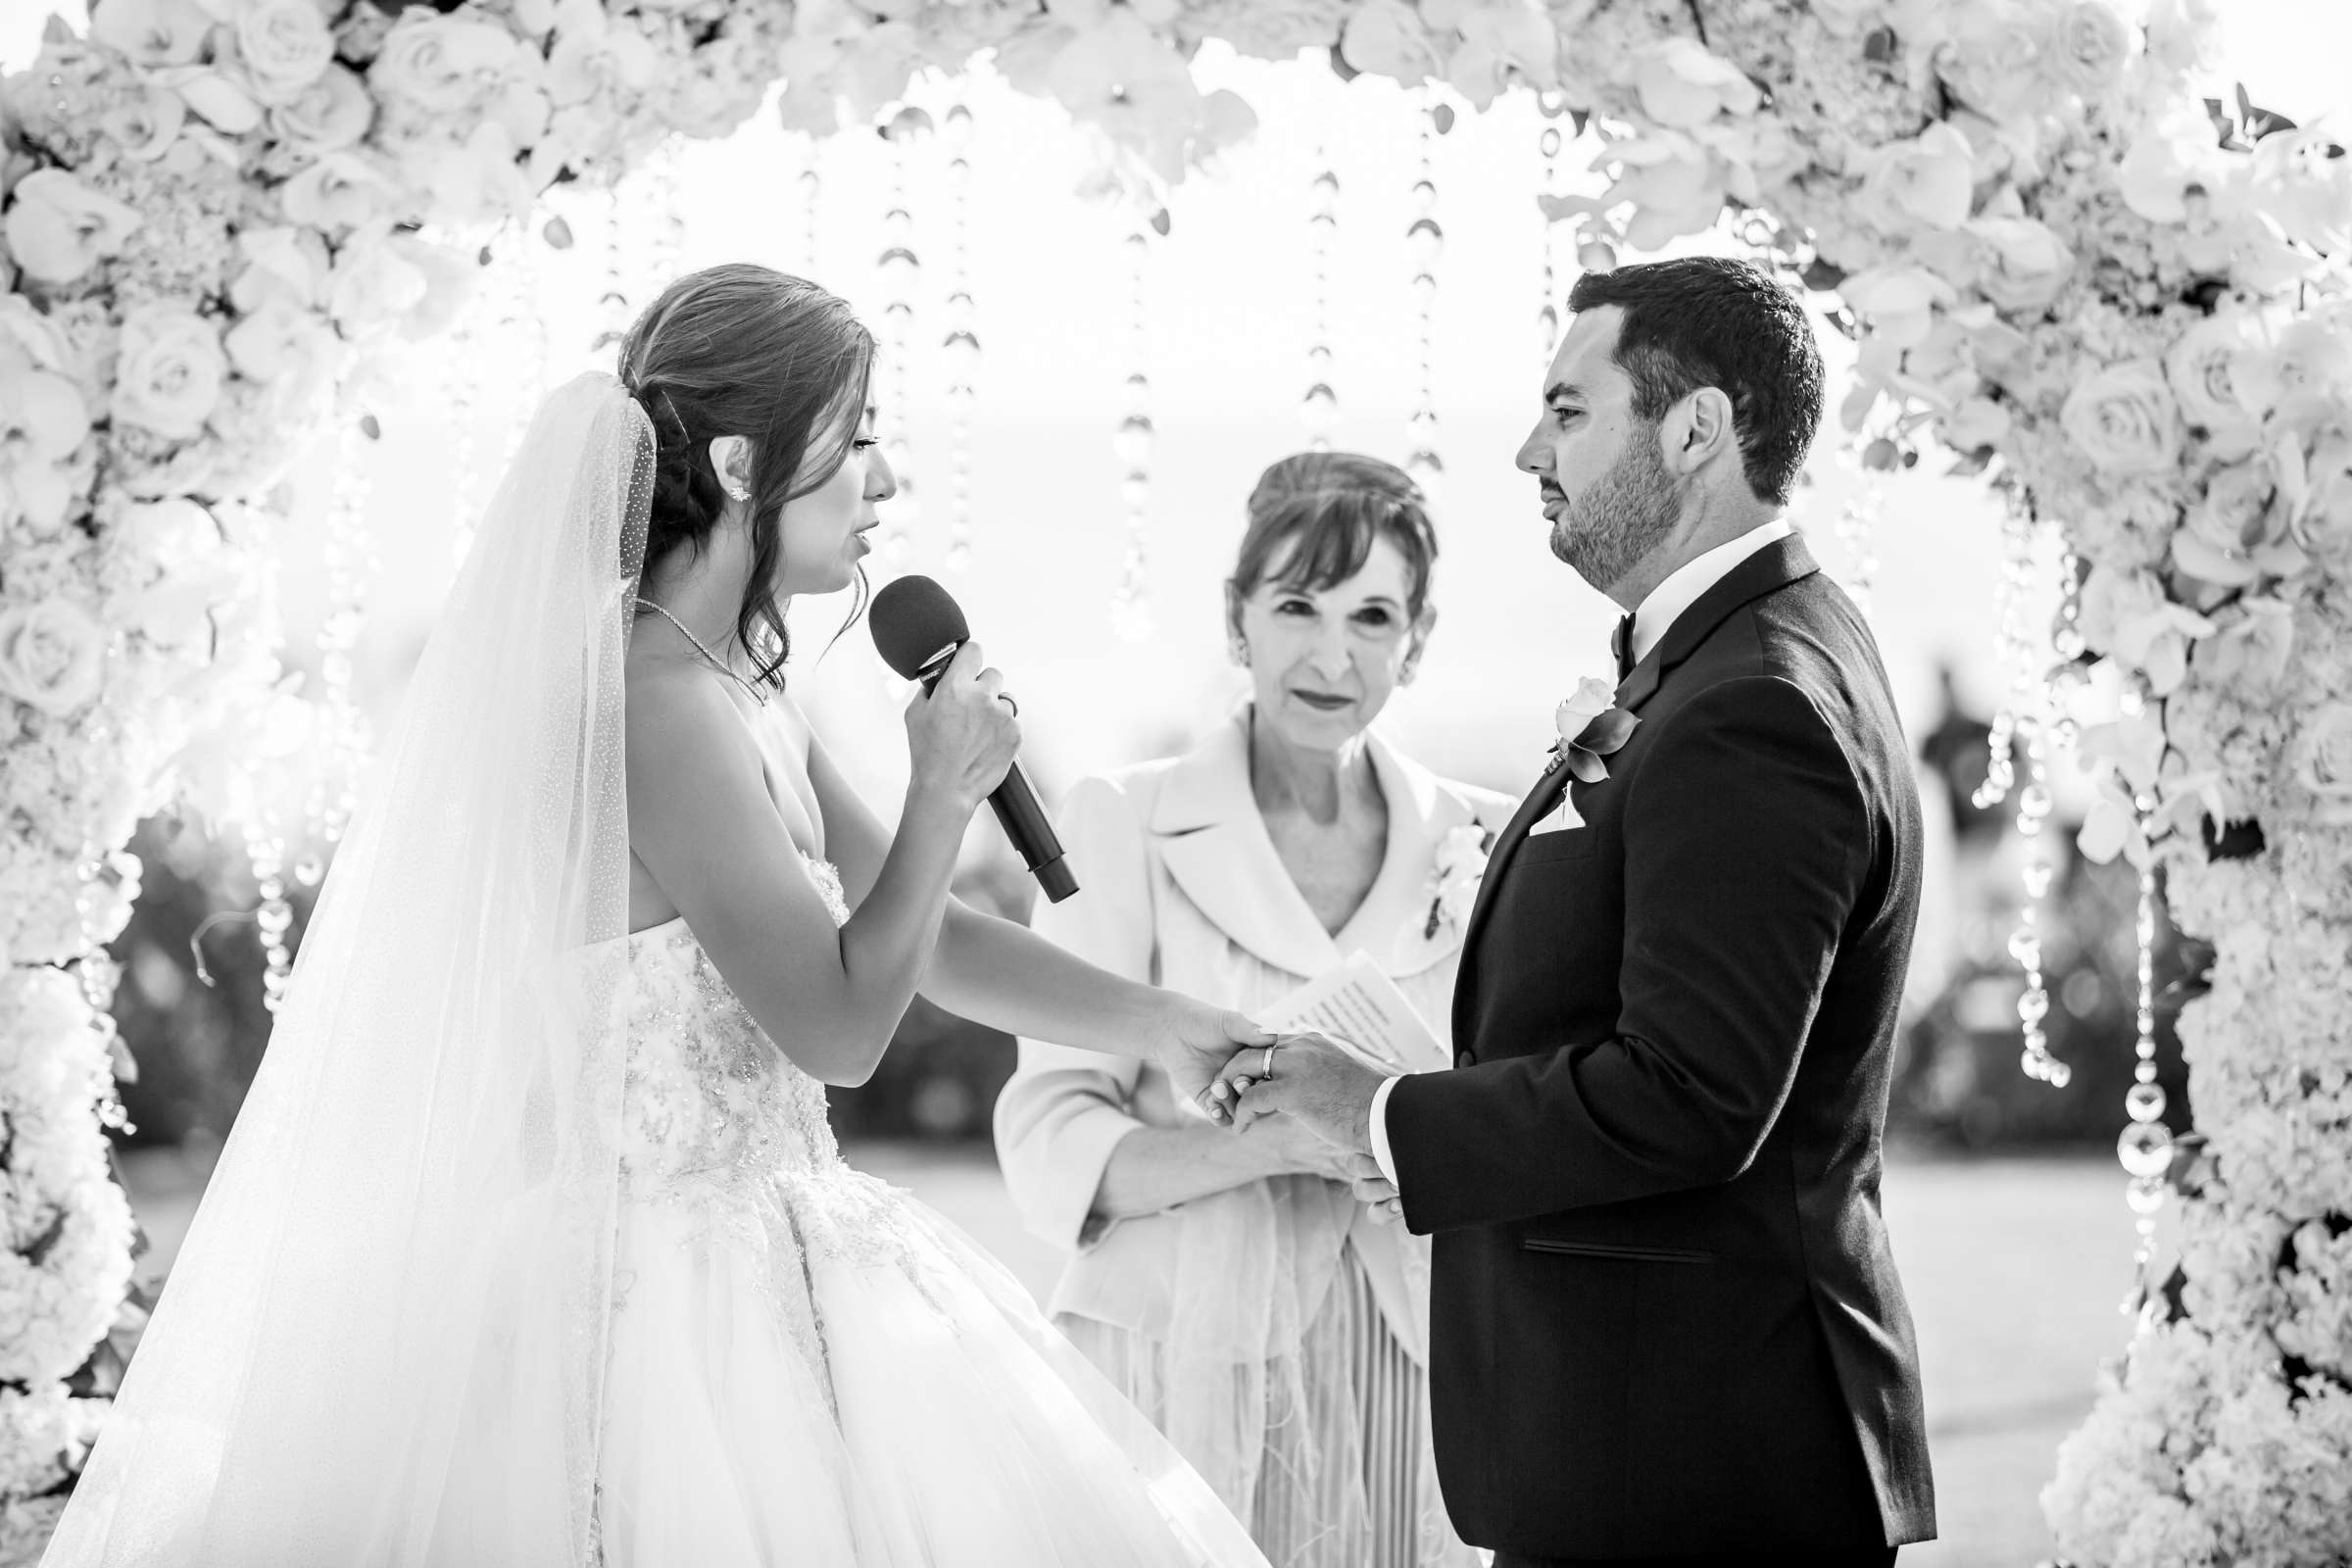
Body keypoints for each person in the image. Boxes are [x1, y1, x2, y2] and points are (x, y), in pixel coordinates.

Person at [44, 265, 1279, 1566]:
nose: (885, 479)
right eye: (857, 440)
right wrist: (938, 796)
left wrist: (1166, 1024)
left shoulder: (734, 678)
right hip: (655, 1315)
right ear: (745, 466)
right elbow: (841, 1029)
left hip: (788, 1249)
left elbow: (927, 941)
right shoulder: (656, 709)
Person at [1216, 257, 1937, 1566]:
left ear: (1696, 429)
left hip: (1693, 1465)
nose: (1526, 449)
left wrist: (1372, 1111)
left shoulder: (1754, 705)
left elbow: (1693, 1092)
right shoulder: (1734, 657)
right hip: (1643, 1445)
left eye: (1567, 408)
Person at [994, 453, 1508, 1568]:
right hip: (1169, 1372)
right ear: (1239, 621)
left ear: (1418, 638)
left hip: (1414, 1374)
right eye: (1296, 607)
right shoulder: (1121, 821)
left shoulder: (1491, 841)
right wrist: (1282, 1143)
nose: (1334, 655)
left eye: (1374, 615)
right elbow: (1049, 1146)